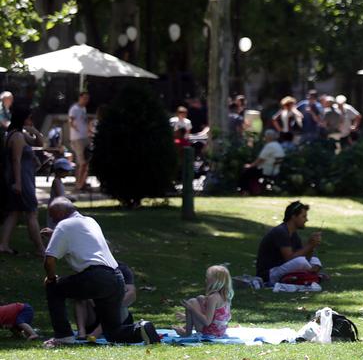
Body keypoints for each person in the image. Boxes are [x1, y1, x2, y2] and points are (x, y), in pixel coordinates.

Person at [42, 197, 159, 346]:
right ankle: (142, 329)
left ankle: (63, 337)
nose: (52, 219)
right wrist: (55, 234)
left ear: (60, 212)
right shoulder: (90, 221)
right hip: (116, 278)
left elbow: (49, 260)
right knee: (113, 332)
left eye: (52, 215)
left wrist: (51, 279)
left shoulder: (63, 226)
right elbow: (82, 239)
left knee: (53, 288)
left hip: (96, 277)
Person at [1, 104, 42, 256]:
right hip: (22, 179)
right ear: (23, 118)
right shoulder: (17, 136)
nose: (31, 120)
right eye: (30, 118)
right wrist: (18, 183)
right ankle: (40, 249)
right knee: (32, 212)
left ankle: (3, 245)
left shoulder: (15, 133)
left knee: (14, 212)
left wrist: (34, 131)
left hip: (18, 178)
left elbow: (39, 143)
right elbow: (16, 160)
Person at [254, 200, 323, 285]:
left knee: (314, 260)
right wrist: (309, 245)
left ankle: (310, 274)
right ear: (293, 216)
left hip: (282, 268)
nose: (306, 220)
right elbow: (289, 258)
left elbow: (303, 255)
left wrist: (312, 247)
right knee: (301, 262)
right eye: (303, 216)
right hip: (268, 274)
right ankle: (311, 275)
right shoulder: (281, 231)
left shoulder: (293, 234)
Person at [174, 264, 233, 338]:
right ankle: (187, 325)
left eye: (208, 278)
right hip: (220, 331)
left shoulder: (213, 297)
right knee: (200, 298)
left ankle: (187, 333)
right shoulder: (225, 296)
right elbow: (217, 317)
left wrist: (192, 309)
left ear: (215, 281)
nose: (205, 280)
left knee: (192, 302)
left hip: (210, 333)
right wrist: (187, 316)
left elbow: (207, 322)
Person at [240, 130, 286, 194]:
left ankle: (245, 190)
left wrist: (250, 166)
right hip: (275, 170)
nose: (265, 138)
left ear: (269, 137)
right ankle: (254, 190)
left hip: (265, 170)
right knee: (250, 171)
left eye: (265, 136)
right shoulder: (278, 145)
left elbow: (260, 159)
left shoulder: (269, 146)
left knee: (246, 171)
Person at [67, 91, 92, 192]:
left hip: (85, 137)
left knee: (84, 162)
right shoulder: (74, 109)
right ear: (80, 98)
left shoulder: (83, 109)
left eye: (87, 98)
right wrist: (75, 128)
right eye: (84, 98)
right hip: (77, 138)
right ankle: (79, 184)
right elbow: (70, 121)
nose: (86, 100)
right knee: (82, 162)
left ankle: (81, 183)